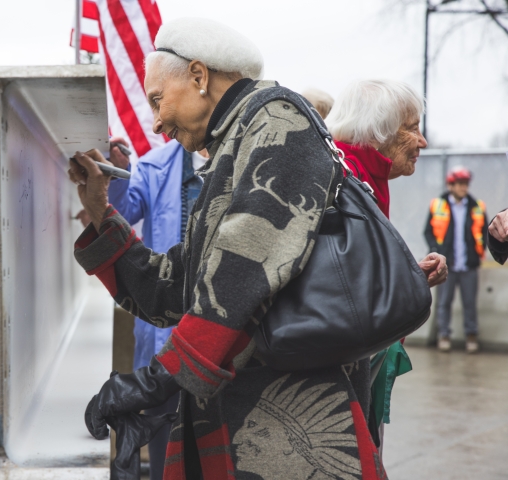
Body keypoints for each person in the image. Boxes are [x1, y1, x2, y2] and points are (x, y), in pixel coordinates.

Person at [69, 17, 388, 479]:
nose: (156, 122)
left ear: (199, 76)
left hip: (293, 436)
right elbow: (180, 289)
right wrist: (101, 211)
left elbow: (240, 279)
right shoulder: (233, 146)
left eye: (158, 100)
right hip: (246, 419)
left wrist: (154, 382)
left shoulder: (281, 124)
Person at [326, 79, 448, 450]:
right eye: (412, 128)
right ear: (378, 132)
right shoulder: (343, 179)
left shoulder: (366, 176)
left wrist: (409, 273)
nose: (422, 142)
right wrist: (405, 279)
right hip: (336, 371)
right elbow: (338, 290)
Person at [105, 137, 207, 480]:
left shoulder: (241, 156)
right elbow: (123, 213)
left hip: (220, 327)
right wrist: (118, 172)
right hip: (166, 331)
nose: (157, 122)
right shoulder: (154, 165)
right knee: (164, 426)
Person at [424, 166, 488, 353]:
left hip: (468, 265)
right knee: (444, 302)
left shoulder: (477, 206)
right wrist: (436, 251)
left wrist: (478, 253)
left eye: (466, 184)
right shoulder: (438, 205)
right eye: (460, 184)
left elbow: (484, 232)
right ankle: (444, 336)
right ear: (451, 185)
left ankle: (471, 337)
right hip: (447, 265)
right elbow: (428, 232)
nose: (464, 188)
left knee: (470, 303)